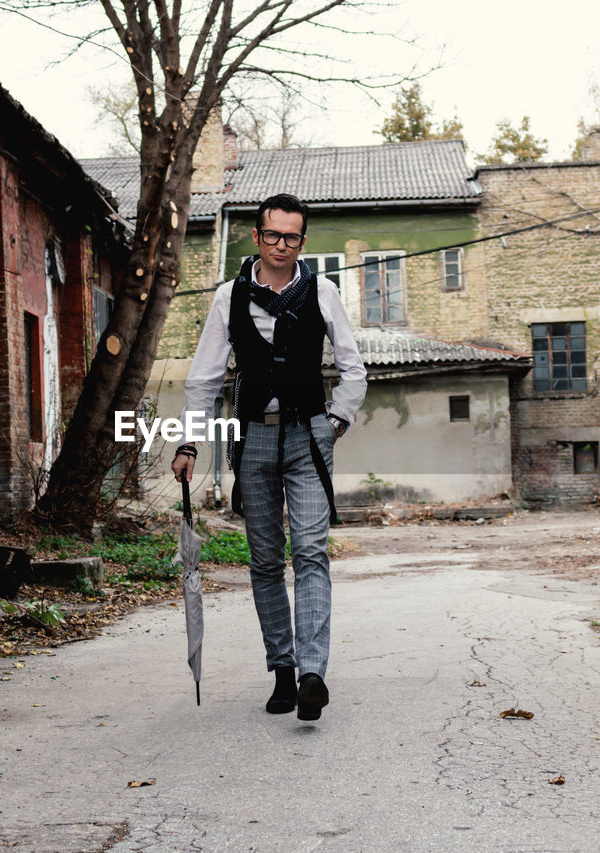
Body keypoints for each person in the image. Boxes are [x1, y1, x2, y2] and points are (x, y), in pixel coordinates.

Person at [171, 193, 366, 721]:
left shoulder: (322, 292)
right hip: (252, 437)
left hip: (308, 438)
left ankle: (311, 674)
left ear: (304, 241)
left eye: (293, 237)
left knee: (310, 551)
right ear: (257, 237)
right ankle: (282, 668)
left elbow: (353, 369)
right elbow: (205, 379)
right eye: (273, 235)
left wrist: (336, 421)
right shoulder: (228, 297)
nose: (282, 245)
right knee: (265, 560)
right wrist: (189, 442)